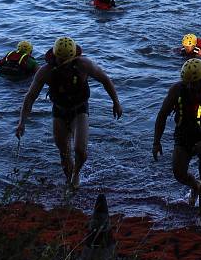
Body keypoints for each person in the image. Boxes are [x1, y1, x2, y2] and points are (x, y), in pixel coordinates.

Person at [15, 37, 123, 190]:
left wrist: (116, 102)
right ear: (54, 57)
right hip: (59, 111)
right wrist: (22, 122)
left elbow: (105, 80)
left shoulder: (84, 65)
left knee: (80, 151)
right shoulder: (45, 72)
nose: (64, 63)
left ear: (74, 56)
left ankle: (76, 174)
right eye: (60, 59)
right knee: (64, 154)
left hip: (80, 109)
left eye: (67, 59)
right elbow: (30, 96)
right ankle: (69, 185)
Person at [153, 59, 201, 226]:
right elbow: (162, 115)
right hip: (184, 133)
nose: (191, 87)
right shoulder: (177, 90)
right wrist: (156, 142)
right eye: (188, 83)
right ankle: (195, 186)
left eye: (195, 83)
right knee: (178, 173)